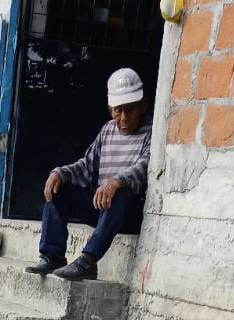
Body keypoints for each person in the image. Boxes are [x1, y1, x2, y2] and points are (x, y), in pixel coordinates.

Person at [26, 67, 152, 282]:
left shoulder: (151, 131)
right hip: (102, 208)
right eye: (118, 110)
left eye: (130, 110)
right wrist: (61, 173)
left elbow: (144, 166)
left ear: (143, 106)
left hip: (127, 212)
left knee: (121, 193)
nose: (123, 117)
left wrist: (117, 181)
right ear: (110, 109)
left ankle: (87, 261)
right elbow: (86, 166)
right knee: (58, 190)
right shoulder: (108, 130)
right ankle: (52, 256)